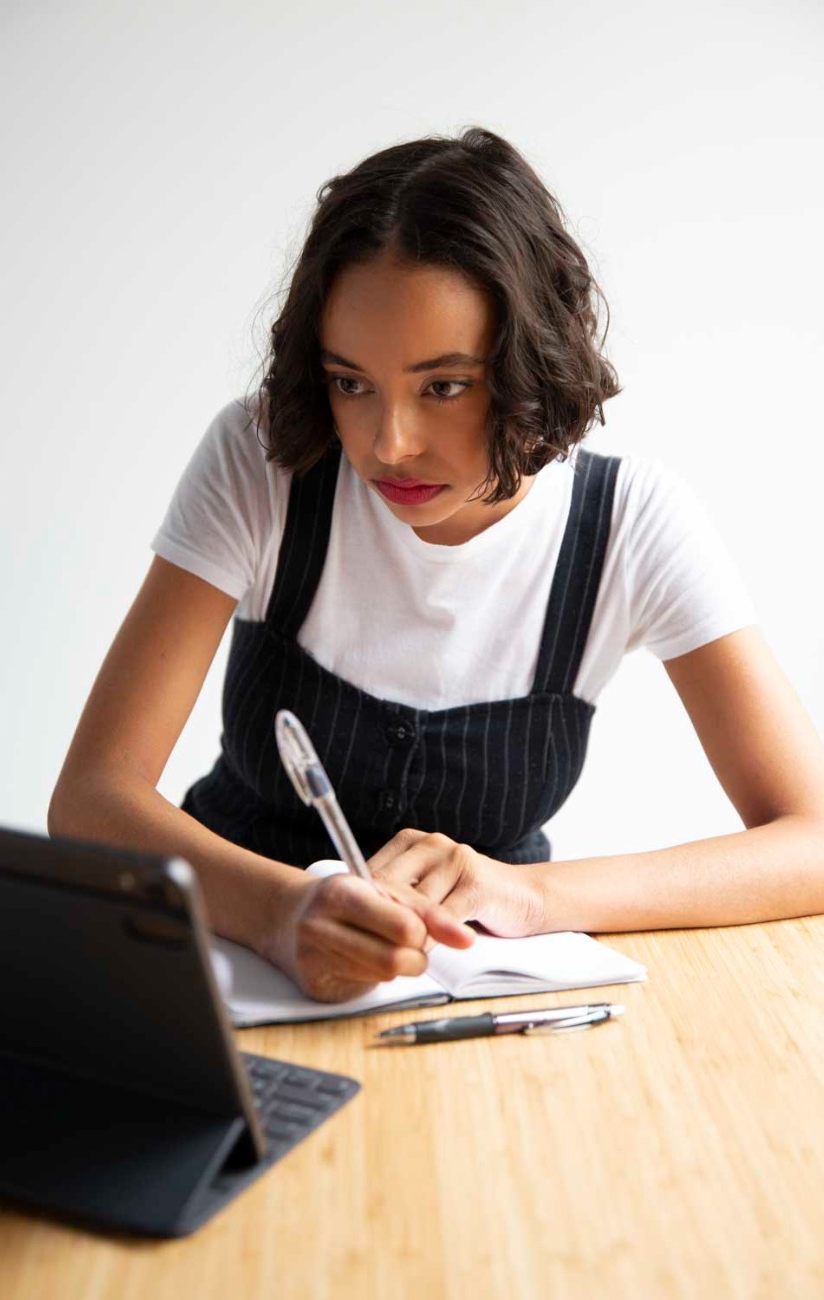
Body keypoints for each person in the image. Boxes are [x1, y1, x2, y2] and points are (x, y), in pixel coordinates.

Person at [48, 126, 824, 1004]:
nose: (388, 444)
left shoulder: (631, 524)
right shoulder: (265, 461)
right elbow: (91, 798)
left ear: (530, 359)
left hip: (475, 995)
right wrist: (281, 913)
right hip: (222, 970)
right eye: (351, 382)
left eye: (444, 387)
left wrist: (534, 896)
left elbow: (813, 840)